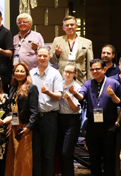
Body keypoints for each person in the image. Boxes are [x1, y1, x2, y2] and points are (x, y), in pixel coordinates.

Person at [69, 59, 121, 176]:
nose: (94, 71)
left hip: (109, 126)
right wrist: (74, 93)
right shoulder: (87, 84)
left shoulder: (114, 83)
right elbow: (81, 97)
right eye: (92, 69)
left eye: (97, 69)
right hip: (92, 127)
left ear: (104, 69)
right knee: (94, 159)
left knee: (109, 159)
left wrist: (117, 122)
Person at [30, 47, 63, 176]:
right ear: (36, 57)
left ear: (49, 57)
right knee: (36, 153)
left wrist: (48, 92)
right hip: (34, 118)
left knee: (49, 153)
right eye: (40, 56)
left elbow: (59, 96)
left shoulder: (55, 74)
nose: (42, 58)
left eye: (45, 56)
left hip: (49, 118)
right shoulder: (31, 73)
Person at [5, 62, 38, 176]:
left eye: (22, 71)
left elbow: (34, 110)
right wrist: (10, 123)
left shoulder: (31, 88)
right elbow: (12, 109)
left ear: (26, 73)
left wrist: (29, 127)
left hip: (24, 127)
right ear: (14, 74)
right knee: (13, 156)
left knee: (24, 158)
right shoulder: (12, 88)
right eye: (17, 71)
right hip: (14, 126)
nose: (19, 73)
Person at [49, 16, 93, 84]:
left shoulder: (87, 42)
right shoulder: (58, 40)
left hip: (80, 78)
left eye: (72, 25)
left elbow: (90, 64)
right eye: (67, 25)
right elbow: (51, 61)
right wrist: (57, 54)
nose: (69, 27)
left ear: (76, 26)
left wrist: (90, 81)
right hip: (62, 78)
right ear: (63, 28)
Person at [57, 63, 81, 176]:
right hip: (58, 119)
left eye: (70, 72)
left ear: (75, 74)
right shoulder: (58, 84)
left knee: (66, 153)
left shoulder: (77, 87)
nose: (67, 74)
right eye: (66, 71)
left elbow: (75, 108)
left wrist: (68, 98)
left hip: (72, 120)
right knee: (59, 152)